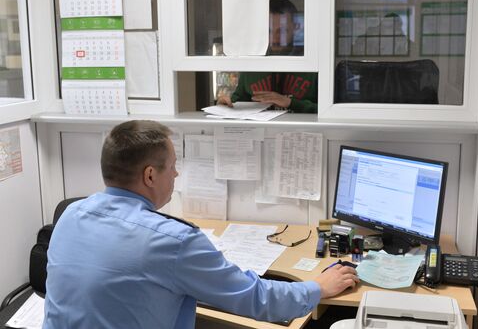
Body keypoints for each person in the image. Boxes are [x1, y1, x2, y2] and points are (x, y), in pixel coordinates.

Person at [43, 120, 359, 329]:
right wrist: (317, 288)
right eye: (174, 167)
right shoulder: (172, 241)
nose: (177, 175)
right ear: (150, 175)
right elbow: (254, 298)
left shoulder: (71, 214)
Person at [217, 0, 318, 113]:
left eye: (282, 31)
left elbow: (327, 110)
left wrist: (290, 103)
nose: (275, 39)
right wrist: (226, 104)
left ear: (295, 28)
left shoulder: (312, 62)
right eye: (269, 31)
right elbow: (239, 100)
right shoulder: (253, 61)